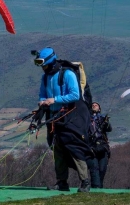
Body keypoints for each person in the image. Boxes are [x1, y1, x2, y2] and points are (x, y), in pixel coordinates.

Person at [34, 47, 93, 193]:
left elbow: (75, 95)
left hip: (70, 116)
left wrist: (54, 100)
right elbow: (42, 94)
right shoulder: (45, 77)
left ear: (51, 62)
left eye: (44, 65)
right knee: (57, 148)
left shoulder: (68, 74)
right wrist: (42, 102)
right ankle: (62, 182)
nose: (43, 68)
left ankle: (85, 182)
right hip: (53, 118)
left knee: (74, 148)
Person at [87, 102, 112, 188]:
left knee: (102, 169)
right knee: (94, 169)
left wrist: (106, 123)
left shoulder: (102, 119)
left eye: (96, 105)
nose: (94, 105)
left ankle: (99, 188)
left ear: (99, 109)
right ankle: (96, 187)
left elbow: (109, 129)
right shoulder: (86, 120)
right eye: (92, 105)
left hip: (103, 146)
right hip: (91, 147)